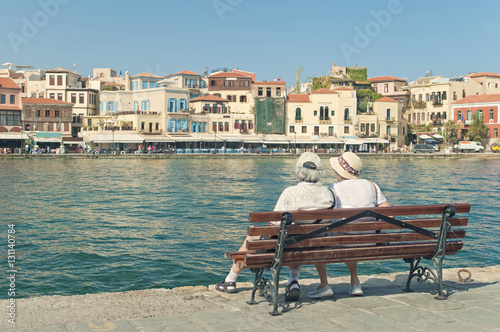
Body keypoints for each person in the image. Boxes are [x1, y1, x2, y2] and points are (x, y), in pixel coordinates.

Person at [216, 152, 335, 301]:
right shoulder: (330, 193)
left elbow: (274, 224)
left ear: (299, 171)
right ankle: (293, 281)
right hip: (315, 245)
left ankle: (230, 280)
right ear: (319, 172)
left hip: (289, 245)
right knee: (298, 237)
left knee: (253, 236)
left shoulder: (290, 192)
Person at [307, 151, 390, 299]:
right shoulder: (372, 185)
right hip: (369, 241)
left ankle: (324, 284)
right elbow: (390, 214)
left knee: (318, 240)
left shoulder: (333, 187)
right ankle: (354, 282)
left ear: (340, 172)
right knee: (350, 235)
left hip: (342, 241)